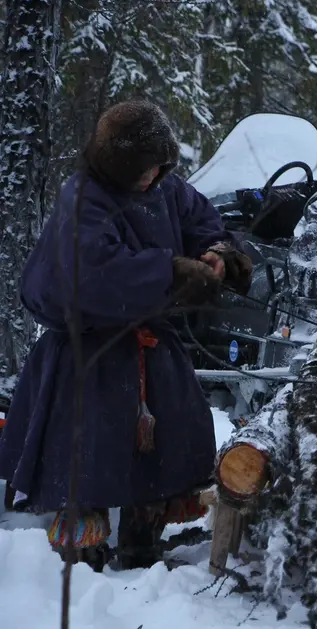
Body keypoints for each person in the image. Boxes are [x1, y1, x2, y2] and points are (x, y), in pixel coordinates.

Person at [0, 100, 253, 571]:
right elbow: (92, 272)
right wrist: (173, 271)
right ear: (119, 162)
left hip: (151, 345)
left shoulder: (167, 188)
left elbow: (203, 223)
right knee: (86, 454)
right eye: (143, 168)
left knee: (167, 442)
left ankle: (143, 540)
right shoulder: (83, 197)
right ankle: (80, 553)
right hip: (90, 353)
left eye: (159, 167)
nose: (151, 177)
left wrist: (218, 253)